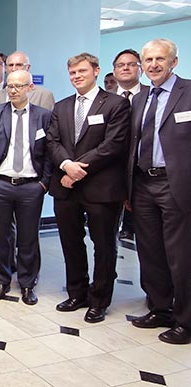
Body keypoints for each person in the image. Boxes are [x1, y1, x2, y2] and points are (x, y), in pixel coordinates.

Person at [47, 52, 130, 323]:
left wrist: (76, 169)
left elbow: (112, 145)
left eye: (82, 71)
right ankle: (77, 293)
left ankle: (99, 300)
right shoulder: (61, 106)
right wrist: (66, 165)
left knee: (104, 246)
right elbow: (52, 142)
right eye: (72, 73)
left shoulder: (116, 104)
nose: (77, 76)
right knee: (71, 244)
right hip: (66, 188)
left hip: (101, 188)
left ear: (96, 71)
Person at [128, 38, 191, 345]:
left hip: (176, 185)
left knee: (180, 255)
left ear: (174, 62)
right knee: (149, 251)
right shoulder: (140, 98)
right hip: (142, 183)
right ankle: (160, 308)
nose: (153, 65)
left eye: (160, 59)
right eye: (149, 60)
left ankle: (186, 321)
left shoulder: (189, 93)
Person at [0, 70, 52, 304]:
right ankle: (1, 281)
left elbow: (50, 152)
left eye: (19, 86)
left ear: (30, 88)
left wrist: (44, 183)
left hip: (31, 186)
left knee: (29, 238)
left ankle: (28, 284)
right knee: (1, 236)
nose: (13, 90)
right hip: (0, 184)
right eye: (10, 86)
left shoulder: (44, 116)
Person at [113, 48, 149, 241]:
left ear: (140, 68)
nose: (125, 68)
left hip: (141, 175)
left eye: (131, 64)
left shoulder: (152, 96)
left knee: (147, 235)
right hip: (109, 174)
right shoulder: (103, 98)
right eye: (120, 65)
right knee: (106, 237)